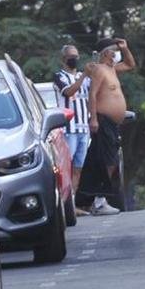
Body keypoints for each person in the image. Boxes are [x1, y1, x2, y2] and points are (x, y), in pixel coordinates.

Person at [81, 37, 136, 216]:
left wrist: (125, 48)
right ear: (105, 53)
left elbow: (130, 65)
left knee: (106, 159)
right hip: (103, 120)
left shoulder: (112, 69)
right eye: (113, 50)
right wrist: (94, 119)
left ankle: (95, 198)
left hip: (112, 123)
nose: (115, 53)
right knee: (108, 160)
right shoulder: (99, 70)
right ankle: (99, 199)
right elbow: (93, 95)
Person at [54, 44, 92, 217]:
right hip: (69, 128)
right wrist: (84, 75)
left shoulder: (83, 77)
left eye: (76, 56)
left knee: (78, 168)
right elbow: (69, 92)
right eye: (71, 56)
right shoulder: (59, 77)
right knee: (67, 168)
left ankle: (73, 203)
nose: (75, 59)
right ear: (63, 59)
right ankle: (65, 204)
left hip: (84, 127)